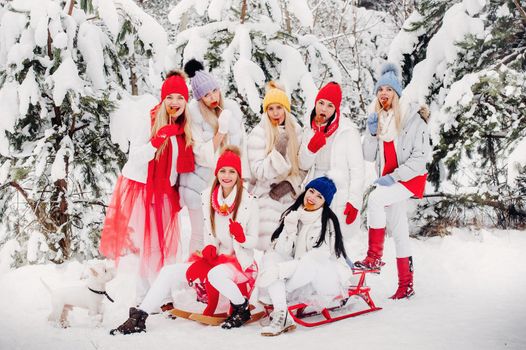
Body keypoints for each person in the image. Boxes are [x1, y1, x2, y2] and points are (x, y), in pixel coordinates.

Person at [110, 146, 260, 335]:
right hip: (215, 260)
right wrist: (210, 247)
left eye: (232, 171)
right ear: (217, 173)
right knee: (168, 271)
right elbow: (210, 235)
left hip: (239, 263)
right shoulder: (208, 197)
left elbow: (254, 241)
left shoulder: (249, 201)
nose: (227, 176)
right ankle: (140, 316)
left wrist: (241, 237)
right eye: (222, 170)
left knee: (215, 275)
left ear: (238, 174)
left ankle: (241, 307)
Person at [99, 71, 194, 304]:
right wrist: (157, 140)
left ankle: (158, 293)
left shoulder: (183, 127)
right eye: (170, 97)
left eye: (180, 98)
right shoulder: (149, 120)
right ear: (163, 100)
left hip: (166, 192)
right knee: (151, 246)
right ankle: (151, 296)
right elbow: (135, 159)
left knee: (165, 247)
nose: (175, 102)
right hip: (145, 189)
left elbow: (177, 166)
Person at [354, 63, 431, 300]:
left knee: (375, 199)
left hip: (408, 179)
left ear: (397, 93)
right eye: (380, 90)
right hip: (389, 180)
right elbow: (368, 156)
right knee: (400, 231)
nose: (383, 93)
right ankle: (406, 285)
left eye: (388, 89)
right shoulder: (380, 119)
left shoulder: (412, 119)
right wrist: (371, 133)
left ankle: (374, 257)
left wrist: (395, 177)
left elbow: (420, 159)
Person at [256, 176, 351, 336]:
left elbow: (320, 258)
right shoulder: (293, 214)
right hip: (295, 273)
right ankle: (282, 313)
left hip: (321, 275)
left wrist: (281, 270)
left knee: (310, 260)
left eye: (319, 196)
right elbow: (282, 252)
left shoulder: (328, 222)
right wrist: (289, 229)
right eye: (311, 191)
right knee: (270, 257)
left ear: (324, 202)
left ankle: (279, 293)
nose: (312, 197)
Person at [180, 59, 247, 254]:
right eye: (206, 95)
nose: (212, 97)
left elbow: (241, 147)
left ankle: (216, 274)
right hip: (199, 185)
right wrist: (220, 132)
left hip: (225, 184)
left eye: (214, 91)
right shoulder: (194, 116)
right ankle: (193, 276)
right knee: (201, 234)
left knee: (222, 234)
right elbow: (201, 155)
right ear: (199, 99)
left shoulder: (231, 110)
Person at [298, 82, 365, 239]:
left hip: (338, 191)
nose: (323, 109)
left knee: (335, 240)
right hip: (314, 188)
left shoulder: (347, 131)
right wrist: (311, 149)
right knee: (309, 238)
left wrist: (354, 201)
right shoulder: (308, 129)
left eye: (330, 105)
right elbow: (303, 165)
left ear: (336, 109)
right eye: (321, 103)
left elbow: (357, 170)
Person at [247, 81, 304, 250]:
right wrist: (277, 154)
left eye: (279, 107)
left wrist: (289, 184)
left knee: (291, 242)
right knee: (268, 242)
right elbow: (258, 171)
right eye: (270, 109)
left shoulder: (297, 131)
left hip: (291, 195)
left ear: (285, 109)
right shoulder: (258, 133)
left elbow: (303, 168)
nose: (275, 113)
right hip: (266, 194)